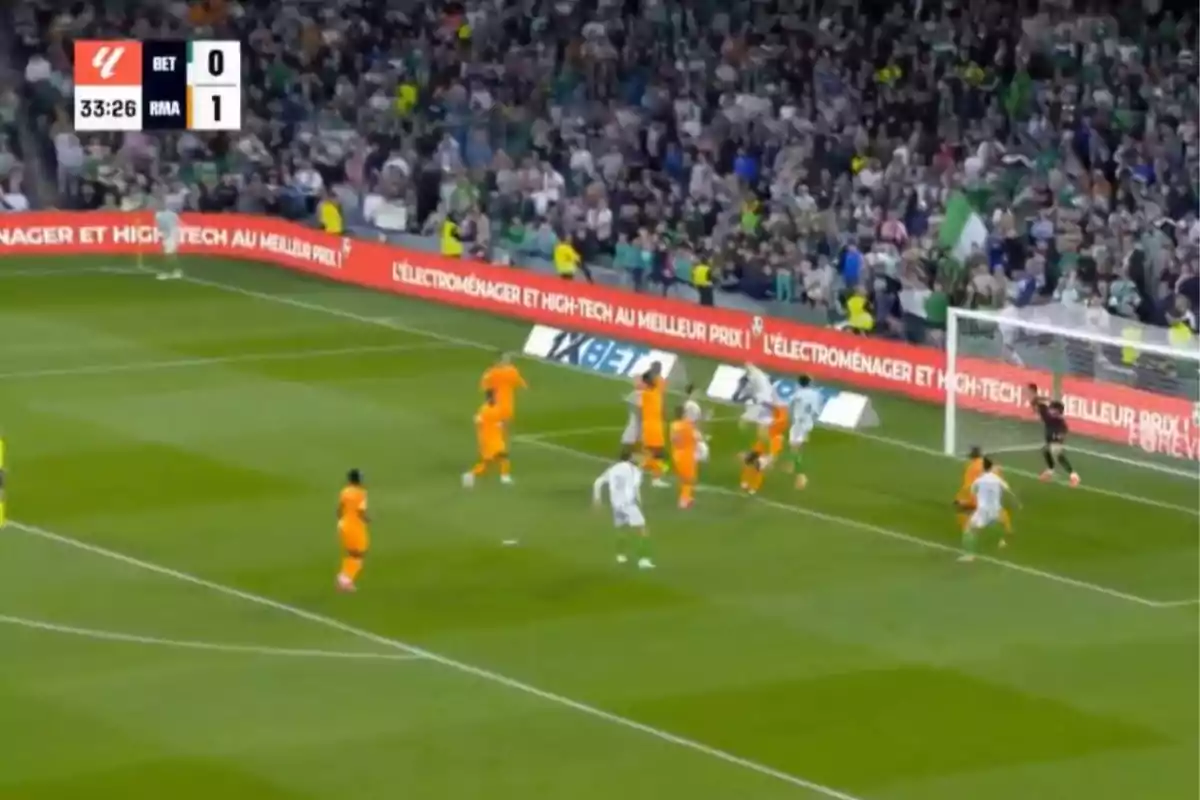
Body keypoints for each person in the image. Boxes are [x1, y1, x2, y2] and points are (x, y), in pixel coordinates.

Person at [592, 448, 653, 569]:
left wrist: (597, 499)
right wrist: (638, 502)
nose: (641, 458)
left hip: (616, 504)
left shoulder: (614, 468)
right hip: (627, 504)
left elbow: (598, 481)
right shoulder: (632, 470)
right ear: (630, 457)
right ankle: (644, 560)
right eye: (638, 455)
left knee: (622, 529)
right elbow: (633, 489)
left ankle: (621, 556)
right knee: (643, 529)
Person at [959, 458, 1020, 563]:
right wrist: (1017, 502)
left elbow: (973, 492)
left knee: (968, 529)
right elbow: (1009, 491)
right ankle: (1003, 541)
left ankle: (970, 555)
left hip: (983, 511)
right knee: (1004, 525)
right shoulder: (998, 480)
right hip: (996, 510)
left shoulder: (979, 480)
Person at [954, 446, 1014, 541]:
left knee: (961, 508)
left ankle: (968, 532)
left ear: (972, 457)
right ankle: (1008, 529)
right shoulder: (994, 467)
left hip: (978, 499)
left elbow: (968, 486)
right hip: (992, 497)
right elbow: (1002, 483)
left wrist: (963, 500)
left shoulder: (971, 467)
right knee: (999, 511)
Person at [1028, 384, 1080, 486]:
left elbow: (1064, 428)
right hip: (1050, 436)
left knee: (1056, 453)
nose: (1053, 411)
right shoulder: (1046, 412)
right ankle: (1051, 471)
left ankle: (1074, 476)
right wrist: (1040, 398)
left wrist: (1061, 436)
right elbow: (1035, 402)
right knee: (1046, 451)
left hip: (1056, 436)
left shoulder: (1056, 418)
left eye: (1055, 410)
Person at [463, 389, 511, 487]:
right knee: (487, 464)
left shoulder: (497, 408)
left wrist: (501, 423)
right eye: (493, 397)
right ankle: (470, 474)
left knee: (502, 457)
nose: (495, 399)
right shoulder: (484, 410)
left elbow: (501, 420)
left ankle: (504, 477)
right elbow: (479, 421)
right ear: (488, 398)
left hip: (497, 438)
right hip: (488, 440)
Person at [787, 375, 824, 489]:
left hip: (798, 422)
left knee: (794, 446)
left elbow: (790, 404)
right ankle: (794, 465)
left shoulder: (798, 394)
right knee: (800, 445)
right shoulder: (815, 394)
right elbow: (817, 410)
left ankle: (800, 474)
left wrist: (791, 416)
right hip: (808, 422)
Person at [336, 469, 369, 592]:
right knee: (358, 554)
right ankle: (345, 580)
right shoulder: (361, 493)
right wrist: (368, 519)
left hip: (343, 525)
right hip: (355, 526)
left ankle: (344, 579)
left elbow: (339, 510)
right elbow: (361, 512)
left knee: (351, 553)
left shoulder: (344, 491)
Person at [638, 363, 669, 487]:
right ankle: (656, 479)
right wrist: (654, 370)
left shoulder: (653, 390)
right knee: (658, 452)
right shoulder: (648, 393)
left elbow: (658, 379)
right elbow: (655, 379)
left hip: (653, 426)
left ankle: (639, 471)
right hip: (652, 427)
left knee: (651, 453)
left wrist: (655, 369)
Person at [479, 352, 527, 425]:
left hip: (500, 394)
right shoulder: (509, 370)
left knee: (501, 408)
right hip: (498, 393)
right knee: (500, 408)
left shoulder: (495, 371)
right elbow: (518, 380)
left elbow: (485, 381)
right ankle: (497, 421)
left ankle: (497, 421)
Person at [670, 406, 699, 509]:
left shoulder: (674, 425)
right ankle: (683, 501)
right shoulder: (687, 425)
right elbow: (696, 437)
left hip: (676, 455)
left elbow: (673, 439)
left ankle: (687, 497)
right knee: (689, 479)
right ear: (684, 414)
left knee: (683, 478)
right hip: (686, 455)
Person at [153, 189, 183, 280]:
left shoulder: (163, 214)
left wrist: (166, 236)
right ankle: (177, 271)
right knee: (172, 255)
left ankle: (165, 273)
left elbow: (166, 226)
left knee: (168, 255)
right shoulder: (161, 214)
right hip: (172, 234)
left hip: (171, 235)